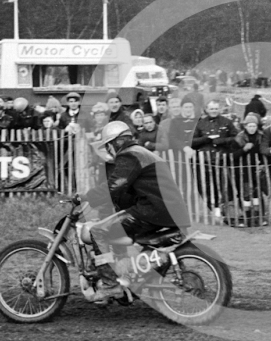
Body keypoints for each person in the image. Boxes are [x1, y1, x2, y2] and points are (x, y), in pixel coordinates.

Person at [80, 121, 192, 302]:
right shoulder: (142, 153)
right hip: (167, 210)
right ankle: (124, 277)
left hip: (153, 210)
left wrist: (87, 197)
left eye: (108, 145)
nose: (108, 151)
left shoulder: (129, 155)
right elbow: (133, 189)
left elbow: (115, 185)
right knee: (115, 226)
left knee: (97, 230)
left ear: (115, 142)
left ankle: (111, 285)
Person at [192, 99, 239, 219]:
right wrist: (206, 139)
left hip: (223, 160)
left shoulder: (227, 122)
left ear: (219, 109)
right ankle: (214, 210)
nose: (214, 111)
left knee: (226, 186)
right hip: (206, 162)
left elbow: (236, 138)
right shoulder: (200, 123)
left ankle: (229, 211)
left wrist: (222, 141)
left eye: (216, 109)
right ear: (206, 110)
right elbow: (191, 142)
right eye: (211, 109)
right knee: (208, 187)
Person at [233, 114, 268, 227]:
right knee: (246, 193)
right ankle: (247, 217)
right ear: (245, 126)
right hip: (243, 170)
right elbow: (233, 155)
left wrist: (262, 164)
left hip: (256, 169)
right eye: (249, 126)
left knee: (257, 193)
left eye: (254, 126)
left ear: (257, 126)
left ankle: (258, 217)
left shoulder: (260, 136)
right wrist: (243, 149)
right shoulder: (239, 138)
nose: (252, 128)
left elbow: (263, 152)